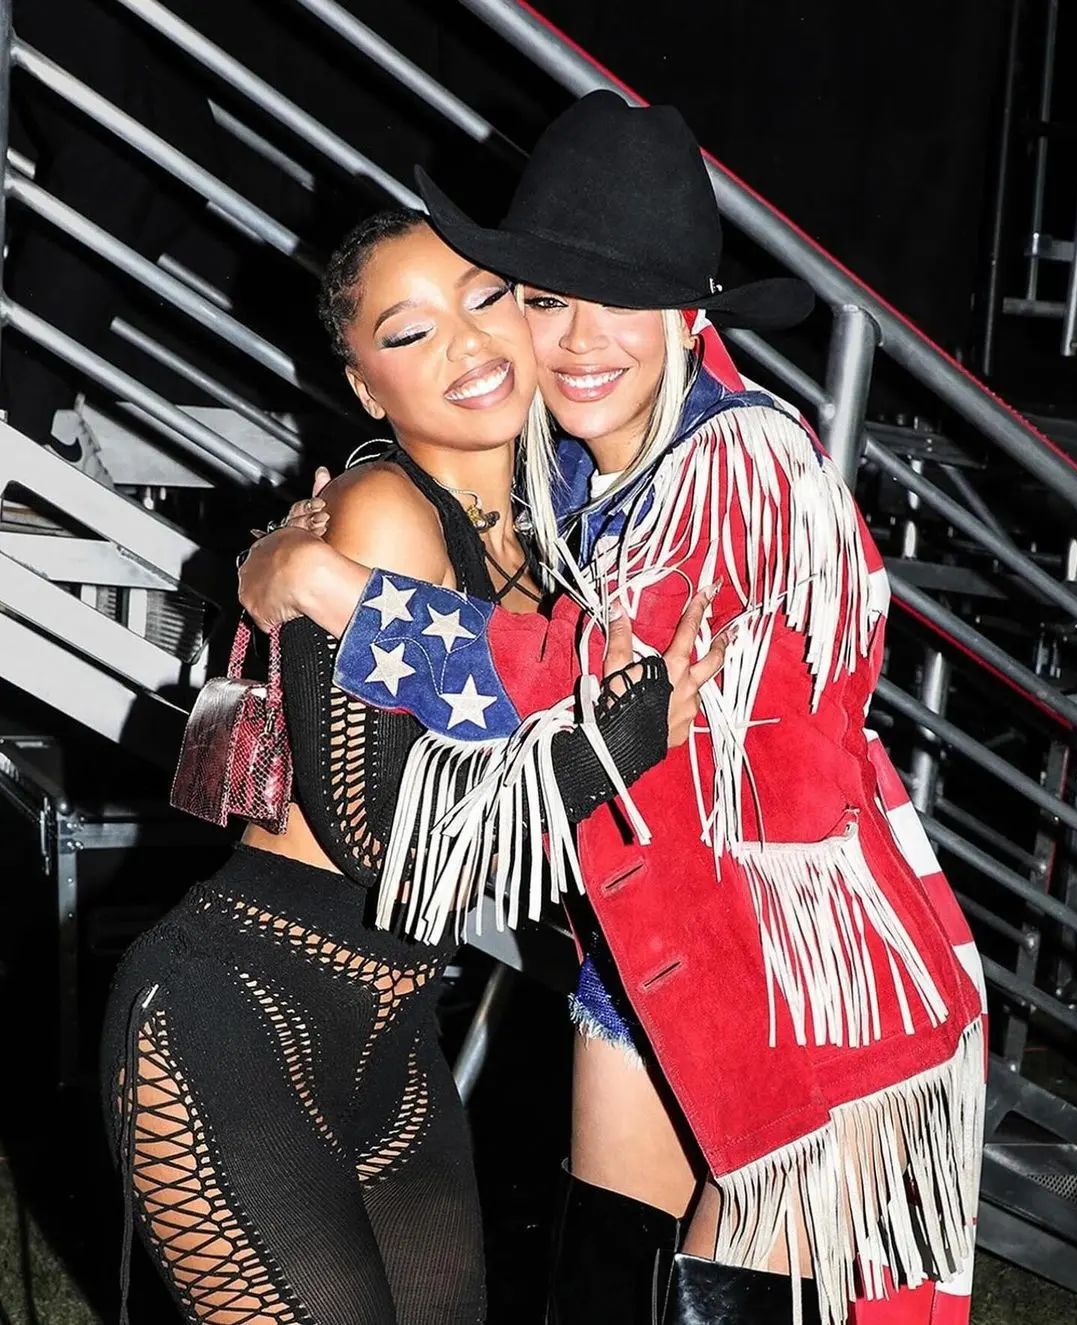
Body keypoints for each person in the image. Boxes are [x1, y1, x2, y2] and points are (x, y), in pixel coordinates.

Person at [239, 93, 986, 1325]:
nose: (580, 340)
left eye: (623, 302)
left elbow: (592, 682)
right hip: (650, 957)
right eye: (547, 298)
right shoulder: (586, 467)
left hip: (805, 988)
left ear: (691, 315)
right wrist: (275, 548)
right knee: (599, 1284)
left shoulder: (741, 467)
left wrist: (333, 592)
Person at [100, 207, 725, 1325]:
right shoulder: (387, 513)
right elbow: (380, 840)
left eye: (485, 298)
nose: (467, 344)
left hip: (394, 1034)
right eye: (410, 330)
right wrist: (614, 748)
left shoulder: (551, 538)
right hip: (234, 1014)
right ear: (364, 385)